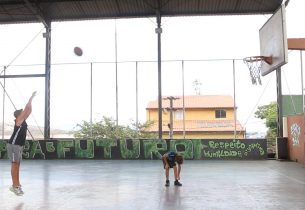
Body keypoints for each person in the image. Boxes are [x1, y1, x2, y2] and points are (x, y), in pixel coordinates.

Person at [7, 91, 36, 196]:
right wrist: (30, 98)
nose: (24, 112)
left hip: (18, 146)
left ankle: (17, 184)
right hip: (13, 145)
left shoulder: (23, 120)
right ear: (18, 115)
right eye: (21, 112)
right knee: (15, 165)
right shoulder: (18, 120)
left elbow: (29, 111)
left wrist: (31, 99)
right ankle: (14, 186)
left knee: (17, 165)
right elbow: (26, 110)